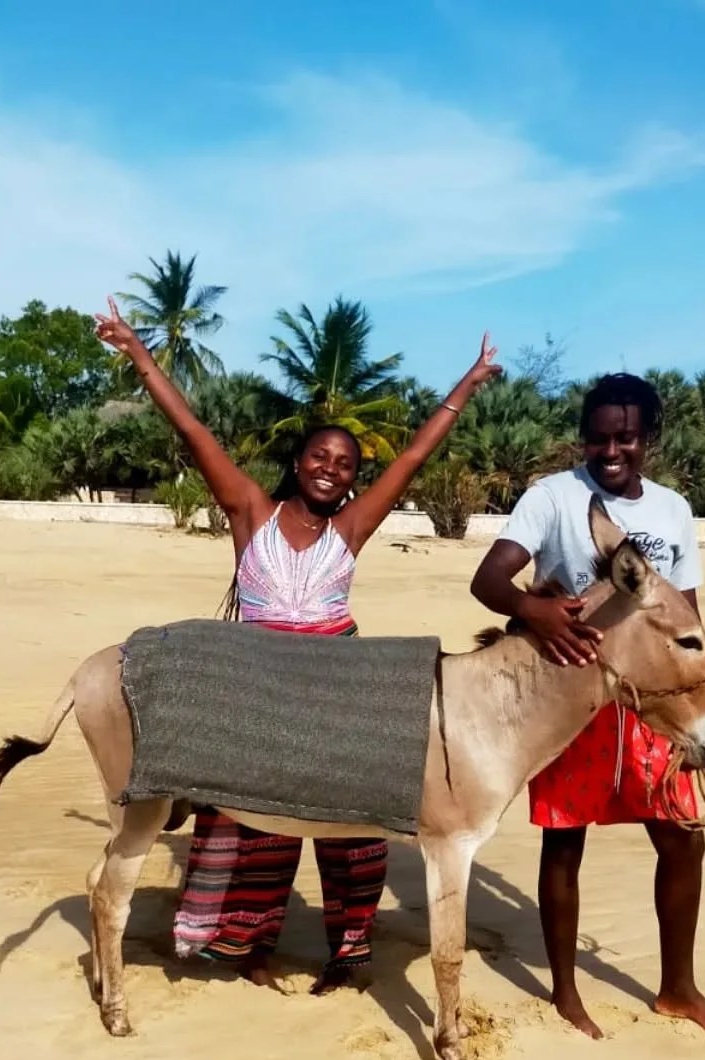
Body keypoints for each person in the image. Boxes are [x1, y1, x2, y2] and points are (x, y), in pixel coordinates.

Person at [94, 297, 502, 992]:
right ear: (299, 459)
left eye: (344, 464)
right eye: (321, 455)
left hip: (334, 687)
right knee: (247, 823)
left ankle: (348, 952)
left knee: (356, 823)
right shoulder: (251, 509)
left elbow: (412, 456)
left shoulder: (352, 529)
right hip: (255, 685)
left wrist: (464, 386)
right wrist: (138, 353)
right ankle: (242, 946)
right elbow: (193, 430)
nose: (332, 469)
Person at [468, 372, 705, 1039]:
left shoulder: (672, 510)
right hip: (573, 694)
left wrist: (699, 689)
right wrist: (538, 613)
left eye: (625, 438)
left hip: (651, 702)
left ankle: (679, 988)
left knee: (682, 840)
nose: (611, 451)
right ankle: (565, 991)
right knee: (565, 844)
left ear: (648, 438)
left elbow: (687, 611)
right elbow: (489, 579)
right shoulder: (553, 497)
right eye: (597, 438)